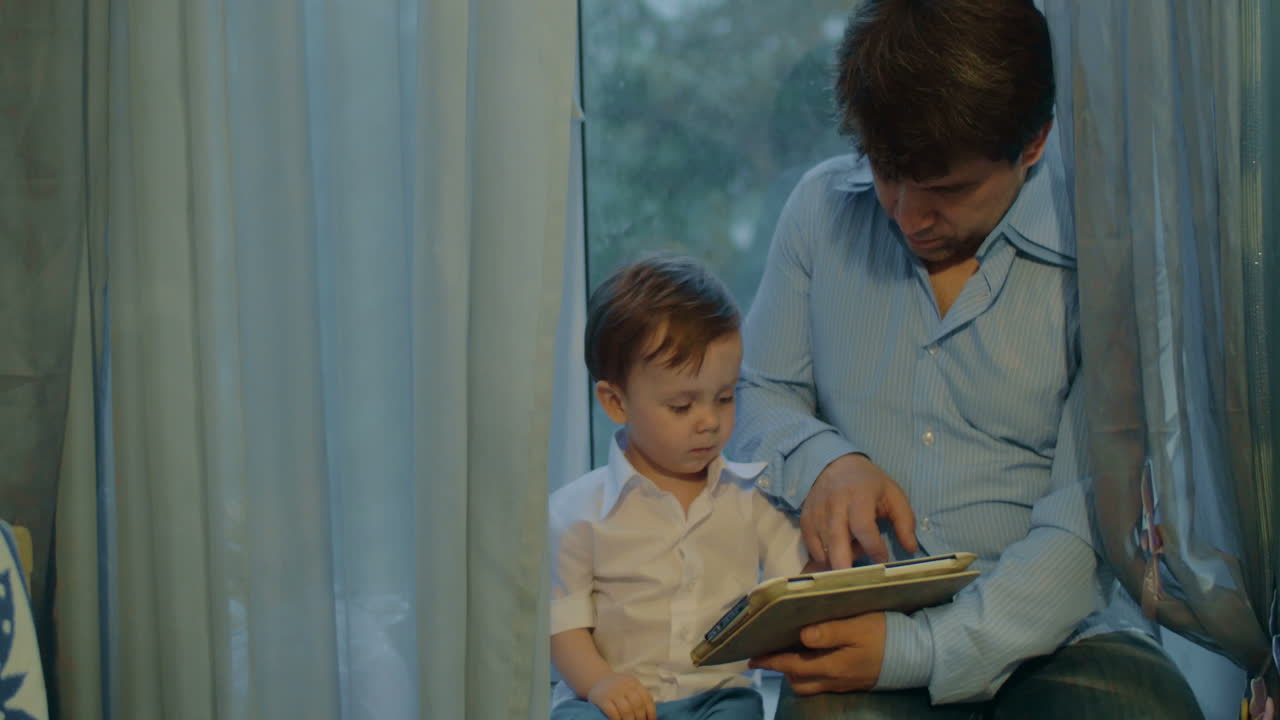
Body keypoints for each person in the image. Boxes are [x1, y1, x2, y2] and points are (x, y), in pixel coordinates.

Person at [728, 1, 1203, 717]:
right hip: (867, 621)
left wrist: (921, 652)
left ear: (1035, 142)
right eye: (886, 172)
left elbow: (1085, 528)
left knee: (1140, 708)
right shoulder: (820, 210)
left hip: (1062, 635)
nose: (907, 214)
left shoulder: (1108, 256)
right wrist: (825, 458)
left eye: (946, 190)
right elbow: (759, 394)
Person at [548, 255, 815, 720]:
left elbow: (793, 591)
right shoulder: (576, 514)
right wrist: (601, 682)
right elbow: (564, 628)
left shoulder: (754, 499)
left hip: (718, 696)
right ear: (616, 402)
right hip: (614, 701)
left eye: (725, 397)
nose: (709, 421)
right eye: (681, 405)